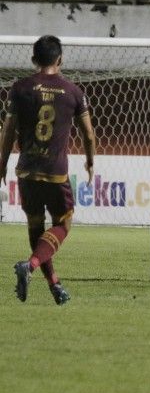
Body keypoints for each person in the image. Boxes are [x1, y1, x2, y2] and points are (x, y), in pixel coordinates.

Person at [0, 35, 96, 305]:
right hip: (55, 172)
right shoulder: (73, 91)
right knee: (63, 224)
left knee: (35, 227)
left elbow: (8, 131)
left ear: (33, 60)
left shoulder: (19, 88)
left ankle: (54, 284)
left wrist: (2, 163)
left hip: (27, 171)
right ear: (60, 59)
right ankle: (29, 267)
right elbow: (88, 134)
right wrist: (90, 161)